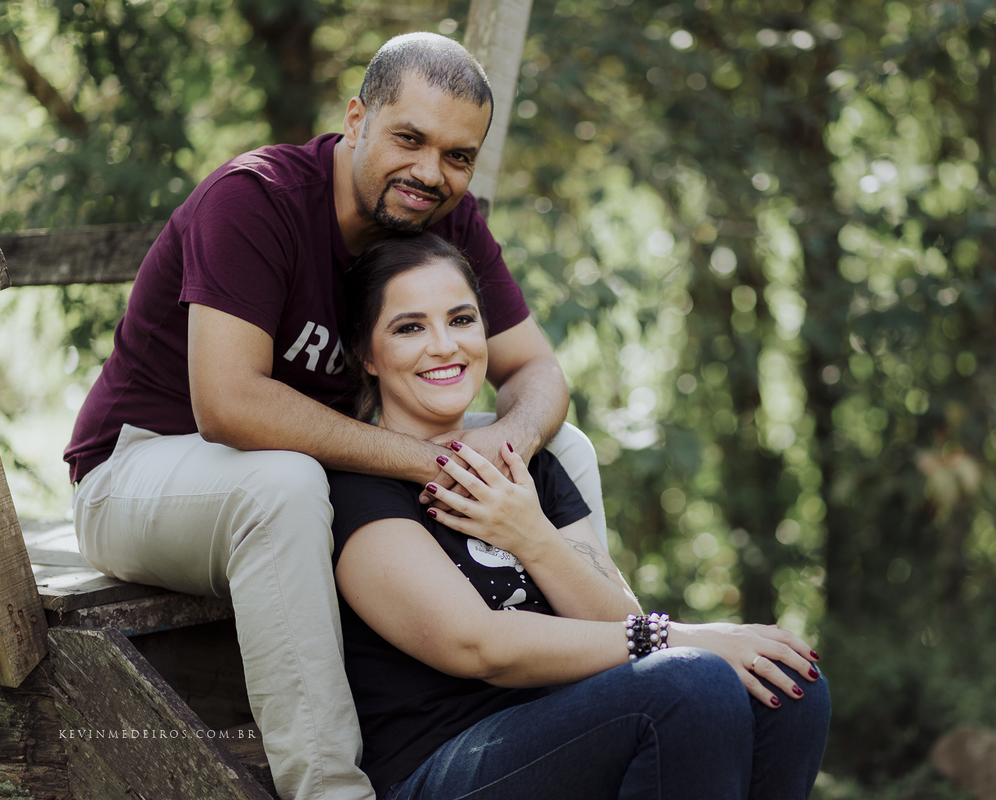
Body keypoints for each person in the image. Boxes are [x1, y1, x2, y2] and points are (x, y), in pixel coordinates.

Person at [64, 33, 606, 800]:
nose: (431, 173)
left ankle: (607, 685)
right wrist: (440, 463)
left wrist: (504, 447)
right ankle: (330, 790)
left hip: (310, 468)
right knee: (281, 485)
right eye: (410, 139)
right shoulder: (255, 198)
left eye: (457, 156)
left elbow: (538, 372)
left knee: (561, 446)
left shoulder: (443, 220)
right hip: (139, 472)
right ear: (357, 120)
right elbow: (229, 405)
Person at [328, 233, 831, 800]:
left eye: (462, 320)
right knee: (691, 682)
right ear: (367, 354)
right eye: (410, 328)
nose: (445, 345)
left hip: (574, 727)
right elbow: (477, 646)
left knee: (785, 682)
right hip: (445, 765)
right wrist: (684, 637)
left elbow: (616, 617)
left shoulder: (529, 464)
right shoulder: (358, 488)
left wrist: (532, 536)